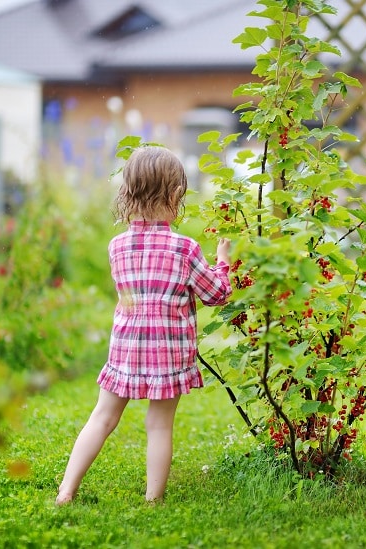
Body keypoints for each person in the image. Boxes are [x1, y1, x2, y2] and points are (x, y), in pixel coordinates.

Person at [56, 146, 231, 505]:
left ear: (129, 193)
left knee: (102, 417)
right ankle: (153, 499)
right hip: (168, 351)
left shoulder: (116, 246)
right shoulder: (185, 248)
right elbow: (215, 294)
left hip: (126, 348)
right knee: (159, 425)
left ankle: (66, 490)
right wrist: (224, 263)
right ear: (173, 195)